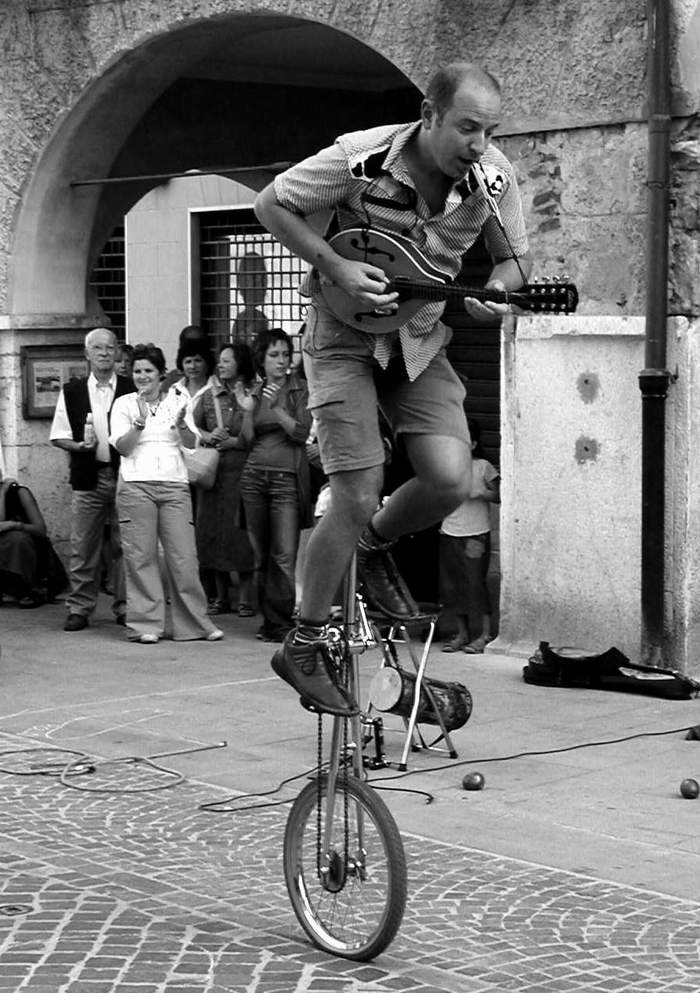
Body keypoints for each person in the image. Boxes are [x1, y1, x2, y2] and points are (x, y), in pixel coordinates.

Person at [254, 61, 531, 714]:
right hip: (341, 335)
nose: (480, 144)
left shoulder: (492, 179)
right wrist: (336, 266)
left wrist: (499, 292)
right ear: (429, 115)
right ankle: (302, 643)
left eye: (490, 131)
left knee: (451, 478)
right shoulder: (362, 158)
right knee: (356, 488)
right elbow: (271, 204)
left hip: (419, 337)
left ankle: (372, 545)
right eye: (467, 127)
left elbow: (515, 262)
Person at [108, 343, 223, 644]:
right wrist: (138, 424)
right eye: (137, 371)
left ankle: (195, 625)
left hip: (174, 484)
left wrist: (182, 423)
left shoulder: (177, 400)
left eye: (148, 370)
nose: (142, 376)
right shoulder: (123, 404)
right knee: (141, 557)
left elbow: (191, 443)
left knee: (184, 557)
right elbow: (123, 448)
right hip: (136, 485)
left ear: (161, 373)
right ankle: (145, 625)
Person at [50, 327, 132, 631]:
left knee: (125, 546)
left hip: (126, 475)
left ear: (117, 352)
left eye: (109, 347)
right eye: (97, 348)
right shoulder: (72, 391)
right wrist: (78, 446)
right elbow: (58, 436)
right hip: (88, 476)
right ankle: (80, 608)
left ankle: (126, 606)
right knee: (83, 545)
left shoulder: (130, 388)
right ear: (87, 354)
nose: (104, 353)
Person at [239, 329, 312, 643]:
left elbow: (302, 433)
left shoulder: (300, 389)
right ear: (262, 360)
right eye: (274, 355)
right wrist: (247, 411)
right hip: (254, 477)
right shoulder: (255, 392)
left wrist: (278, 408)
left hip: (287, 480)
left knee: (284, 554)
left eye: (285, 354)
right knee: (261, 554)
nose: (282, 361)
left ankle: (281, 622)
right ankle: (268, 621)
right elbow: (245, 440)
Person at [193, 342, 256, 616]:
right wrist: (209, 436)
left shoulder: (254, 393)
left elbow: (259, 433)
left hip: (244, 472)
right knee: (213, 533)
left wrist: (235, 442)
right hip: (214, 474)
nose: (220, 365)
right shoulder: (208, 397)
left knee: (241, 535)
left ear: (240, 363)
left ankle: (246, 598)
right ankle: (219, 597)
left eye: (227, 361)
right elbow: (192, 428)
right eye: (219, 361)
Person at [439, 418, 500, 653]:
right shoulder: (448, 465)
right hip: (449, 531)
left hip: (475, 535)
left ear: (473, 444)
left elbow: (498, 496)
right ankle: (462, 634)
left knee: (475, 583)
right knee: (452, 585)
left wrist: (481, 492)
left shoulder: (483, 466)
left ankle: (484, 634)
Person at [0, 474, 68, 607]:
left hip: (28, 552)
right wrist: (2, 495)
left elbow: (40, 529)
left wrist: (15, 525)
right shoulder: (3, 493)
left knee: (16, 539)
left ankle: (31, 590)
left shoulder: (19, 493)